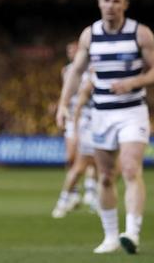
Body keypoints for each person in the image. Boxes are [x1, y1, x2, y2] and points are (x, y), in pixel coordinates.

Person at [56, 0, 154, 254]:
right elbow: (75, 72)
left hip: (132, 111)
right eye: (106, 0)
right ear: (99, 3)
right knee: (105, 177)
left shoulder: (140, 33)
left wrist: (134, 81)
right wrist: (62, 104)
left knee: (129, 168)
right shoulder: (90, 35)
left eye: (117, 1)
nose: (111, 6)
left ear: (125, 5)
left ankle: (132, 232)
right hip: (101, 114)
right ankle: (110, 237)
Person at [56, 41, 96, 211]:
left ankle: (90, 191)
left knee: (90, 158)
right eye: (69, 50)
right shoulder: (66, 71)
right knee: (70, 158)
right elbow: (64, 92)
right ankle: (73, 193)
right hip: (72, 117)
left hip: (91, 117)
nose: (71, 53)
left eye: (74, 50)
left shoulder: (92, 68)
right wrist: (61, 109)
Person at [52, 73, 98, 218]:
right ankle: (64, 199)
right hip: (89, 126)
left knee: (106, 167)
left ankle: (93, 195)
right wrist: (77, 130)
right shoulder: (90, 80)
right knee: (79, 166)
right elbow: (79, 104)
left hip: (104, 126)